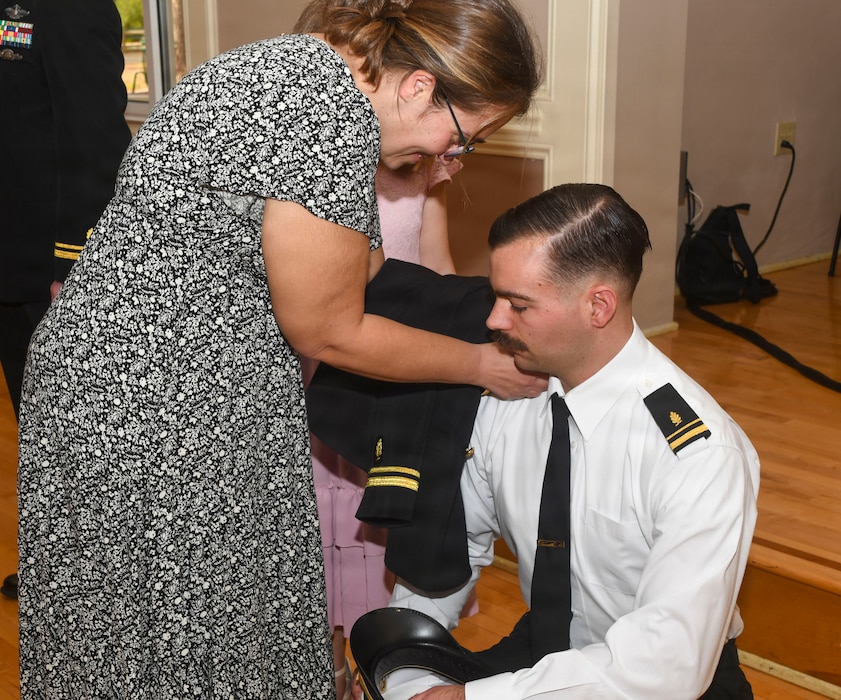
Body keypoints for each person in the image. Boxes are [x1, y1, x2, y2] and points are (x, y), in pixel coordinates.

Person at [15, 0, 543, 698]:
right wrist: (480, 364)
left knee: (136, 632)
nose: (449, 159)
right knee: (193, 629)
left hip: (117, 384)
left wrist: (495, 307)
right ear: (418, 86)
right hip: (159, 409)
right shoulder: (325, 117)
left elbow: (364, 269)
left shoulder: (282, 68)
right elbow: (329, 328)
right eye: (463, 137)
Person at [375, 183, 760, 699]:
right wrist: (406, 667)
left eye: (519, 305)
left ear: (597, 306)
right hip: (546, 654)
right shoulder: (509, 397)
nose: (493, 321)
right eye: (497, 297)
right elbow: (455, 550)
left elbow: (667, 664)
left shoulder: (698, 454)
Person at [0, 0, 131, 599]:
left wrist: (76, 264)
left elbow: (95, 139)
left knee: (78, 439)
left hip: (48, 268)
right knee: (38, 434)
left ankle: (101, 588)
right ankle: (60, 575)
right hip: (8, 262)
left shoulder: (68, 5)